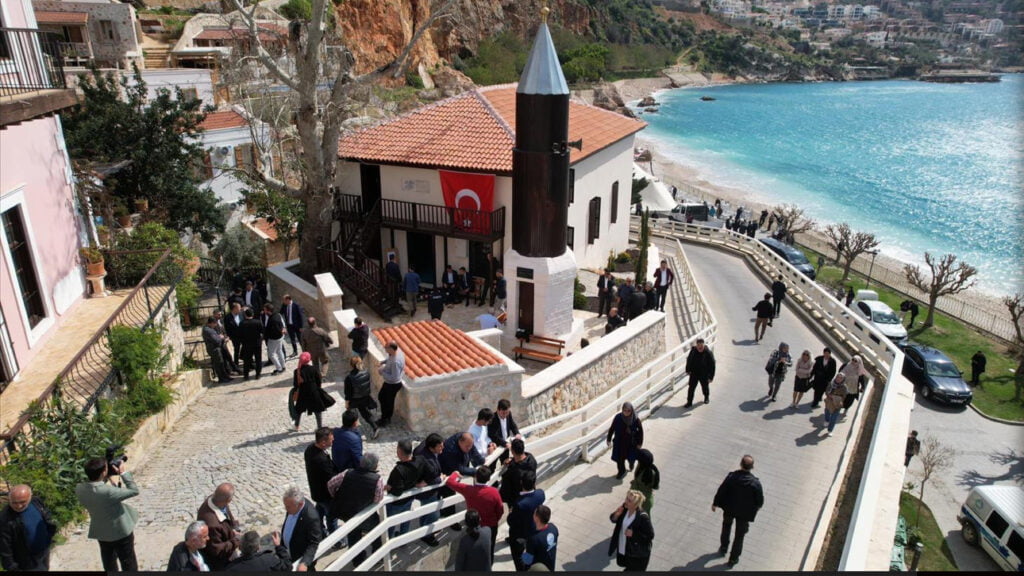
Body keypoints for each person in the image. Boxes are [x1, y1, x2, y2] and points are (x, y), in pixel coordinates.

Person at [75, 457, 140, 571]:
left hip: (102, 532)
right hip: (121, 531)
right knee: (128, 562)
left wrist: (107, 477)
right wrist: (123, 473)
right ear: (103, 472)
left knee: (109, 562)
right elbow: (134, 490)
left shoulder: (79, 488)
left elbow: (96, 486)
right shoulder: (108, 492)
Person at [328, 454, 384, 564]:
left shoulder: (347, 473)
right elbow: (378, 499)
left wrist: (336, 496)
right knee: (378, 531)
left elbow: (330, 484)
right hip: (366, 515)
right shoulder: (377, 480)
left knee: (353, 536)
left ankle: (357, 560)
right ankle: (378, 555)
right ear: (374, 466)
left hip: (348, 513)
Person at [712, 455, 764, 567]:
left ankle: (724, 547)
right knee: (740, 535)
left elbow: (722, 490)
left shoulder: (731, 477)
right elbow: (759, 500)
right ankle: (733, 559)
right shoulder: (755, 483)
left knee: (726, 526)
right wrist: (757, 508)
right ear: (752, 467)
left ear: (741, 464)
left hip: (729, 509)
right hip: (744, 514)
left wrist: (715, 503)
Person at [446, 467, 504, 556]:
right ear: (488, 479)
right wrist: (495, 520)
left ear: (475, 477)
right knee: (489, 548)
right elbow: (500, 510)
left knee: (473, 548)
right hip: (491, 526)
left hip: (473, 525)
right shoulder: (494, 492)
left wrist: (455, 473)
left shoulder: (468, 489)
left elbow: (449, 482)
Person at [0, 484, 56, 571]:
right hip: (27, 562)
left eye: (22, 502)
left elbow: (46, 514)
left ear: (30, 497)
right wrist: (12, 567)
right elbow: (4, 547)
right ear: (9, 500)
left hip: (44, 553)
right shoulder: (5, 519)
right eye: (14, 502)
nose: (18, 506)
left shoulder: (36, 502)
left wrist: (49, 534)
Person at [195, 483, 241, 570]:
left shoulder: (216, 500)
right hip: (220, 560)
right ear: (229, 500)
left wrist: (234, 526)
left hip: (228, 538)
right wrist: (236, 540)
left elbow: (227, 514)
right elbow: (217, 550)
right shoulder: (213, 524)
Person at [385, 440, 425, 538]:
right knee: (406, 519)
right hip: (410, 496)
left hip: (396, 503)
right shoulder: (420, 460)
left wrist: (389, 487)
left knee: (390, 523)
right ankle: (404, 537)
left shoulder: (398, 470)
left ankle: (389, 539)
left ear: (399, 451)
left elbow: (397, 491)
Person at [608, 490, 654, 572]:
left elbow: (650, 535)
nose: (626, 501)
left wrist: (634, 534)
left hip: (637, 555)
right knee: (626, 565)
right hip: (624, 548)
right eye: (626, 498)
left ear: (636, 504)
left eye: (629, 500)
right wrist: (616, 515)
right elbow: (613, 519)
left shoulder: (642, 517)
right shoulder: (625, 508)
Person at [412, 433, 445, 547]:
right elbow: (433, 478)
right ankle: (426, 535)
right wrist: (440, 478)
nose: (442, 448)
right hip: (428, 493)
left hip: (425, 486)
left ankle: (425, 528)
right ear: (431, 448)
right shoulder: (429, 462)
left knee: (426, 512)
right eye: (440, 447)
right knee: (433, 513)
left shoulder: (422, 448)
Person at [508, 472, 545, 572]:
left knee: (518, 557)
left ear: (521, 483)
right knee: (529, 554)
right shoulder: (540, 494)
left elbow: (511, 521)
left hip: (520, 535)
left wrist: (511, 513)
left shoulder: (519, 504)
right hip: (534, 531)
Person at [305, 427, 340, 535]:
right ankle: (336, 540)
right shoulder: (321, 460)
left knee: (319, 512)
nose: (333, 440)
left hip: (317, 492)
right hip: (325, 494)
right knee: (332, 516)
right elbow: (331, 478)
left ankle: (320, 531)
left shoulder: (310, 449)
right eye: (331, 439)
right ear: (323, 442)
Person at [280, 487, 322, 572]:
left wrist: (305, 562)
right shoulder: (293, 506)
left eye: (288, 507)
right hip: (289, 554)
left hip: (300, 558)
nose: (286, 509)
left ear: (299, 504)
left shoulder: (311, 517)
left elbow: (314, 542)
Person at [293, 351, 334, 431]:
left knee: (299, 410)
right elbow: (318, 381)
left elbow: (296, 384)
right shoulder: (313, 369)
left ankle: (296, 426)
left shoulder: (297, 371)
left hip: (302, 393)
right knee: (317, 411)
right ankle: (319, 427)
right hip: (313, 392)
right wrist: (317, 388)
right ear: (309, 360)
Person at [606, 402, 644, 480]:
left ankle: (631, 463)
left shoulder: (636, 420)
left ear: (632, 411)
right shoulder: (618, 418)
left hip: (631, 443)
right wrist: (609, 439)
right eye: (624, 410)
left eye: (628, 411)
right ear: (622, 410)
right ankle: (621, 471)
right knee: (620, 459)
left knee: (631, 457)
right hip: (619, 443)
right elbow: (612, 428)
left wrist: (640, 443)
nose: (626, 412)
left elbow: (640, 432)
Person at [344, 356, 379, 437]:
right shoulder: (366, 373)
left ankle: (351, 431)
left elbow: (347, 393)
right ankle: (375, 427)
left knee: (351, 415)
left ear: (351, 365)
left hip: (354, 399)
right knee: (365, 414)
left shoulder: (349, 377)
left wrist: (347, 403)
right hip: (365, 398)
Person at [224, 530, 291, 571]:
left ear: (240, 548)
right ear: (258, 547)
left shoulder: (231, 568)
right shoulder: (270, 560)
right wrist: (278, 546)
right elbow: (288, 566)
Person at [500, 438, 538, 507]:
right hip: (531, 494)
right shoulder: (531, 459)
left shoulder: (513, 471)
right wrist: (512, 460)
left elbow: (506, 488)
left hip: (517, 500)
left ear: (512, 451)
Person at [377, 341, 406, 428]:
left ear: (391, 349)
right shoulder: (397, 352)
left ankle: (386, 419)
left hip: (392, 385)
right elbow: (389, 359)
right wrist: (383, 362)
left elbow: (394, 378)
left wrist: (381, 371)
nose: (385, 349)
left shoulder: (395, 362)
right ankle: (384, 417)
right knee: (382, 397)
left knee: (388, 402)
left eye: (386, 348)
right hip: (389, 384)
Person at [522, 504, 558, 571]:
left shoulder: (534, 539)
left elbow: (528, 561)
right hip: (550, 567)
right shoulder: (553, 528)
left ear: (537, 518)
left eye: (534, 513)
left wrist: (524, 553)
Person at [684, 338, 716, 407]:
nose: (700, 347)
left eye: (701, 346)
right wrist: (687, 370)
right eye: (698, 345)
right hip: (694, 373)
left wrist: (711, 377)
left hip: (704, 374)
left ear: (703, 345)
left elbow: (712, 365)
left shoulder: (708, 353)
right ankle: (689, 402)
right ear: (696, 345)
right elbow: (689, 360)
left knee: (705, 387)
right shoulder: (693, 351)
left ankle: (706, 397)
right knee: (691, 388)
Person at [630, 449, 660, 517]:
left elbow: (648, 485)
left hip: (643, 502)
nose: (637, 461)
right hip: (636, 499)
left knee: (642, 522)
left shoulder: (650, 473)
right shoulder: (641, 466)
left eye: (639, 460)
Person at [202, 317, 233, 383]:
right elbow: (216, 340)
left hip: (216, 348)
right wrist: (221, 338)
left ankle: (225, 376)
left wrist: (220, 337)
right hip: (214, 349)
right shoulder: (208, 330)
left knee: (221, 363)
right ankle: (221, 378)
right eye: (215, 324)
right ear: (211, 323)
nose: (215, 325)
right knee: (218, 364)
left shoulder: (210, 329)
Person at [237, 308, 264, 380]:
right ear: (253, 314)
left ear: (245, 315)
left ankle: (246, 375)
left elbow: (239, 335)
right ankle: (258, 374)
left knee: (247, 360)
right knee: (258, 359)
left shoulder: (242, 323)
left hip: (246, 344)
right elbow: (262, 332)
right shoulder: (258, 322)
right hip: (257, 344)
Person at [262, 303, 287, 375]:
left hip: (274, 339)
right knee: (279, 351)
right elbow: (282, 325)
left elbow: (274, 331)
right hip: (280, 337)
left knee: (271, 354)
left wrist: (266, 336)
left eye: (265, 310)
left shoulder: (273, 320)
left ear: (268, 311)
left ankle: (279, 368)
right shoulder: (277, 315)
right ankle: (283, 366)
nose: (264, 312)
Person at [224, 303, 244, 370]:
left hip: (243, 335)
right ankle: (236, 363)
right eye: (239, 308)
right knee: (236, 349)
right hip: (235, 336)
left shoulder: (241, 314)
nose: (240, 309)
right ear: (234, 309)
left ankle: (247, 361)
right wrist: (230, 336)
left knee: (245, 348)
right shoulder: (228, 317)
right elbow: (227, 328)